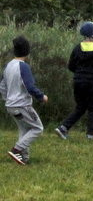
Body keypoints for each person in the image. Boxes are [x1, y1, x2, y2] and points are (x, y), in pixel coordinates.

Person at [55, 21, 93, 140]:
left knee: (80, 107)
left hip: (77, 81)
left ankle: (63, 127)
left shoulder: (77, 48)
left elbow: (70, 66)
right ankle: (90, 134)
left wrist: (79, 73)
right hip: (91, 82)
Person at [1, 36, 48, 165]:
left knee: (24, 130)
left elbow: (2, 86)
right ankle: (16, 150)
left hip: (10, 105)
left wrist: (7, 99)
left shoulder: (8, 66)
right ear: (27, 51)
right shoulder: (24, 67)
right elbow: (30, 86)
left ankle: (24, 158)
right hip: (22, 106)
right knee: (38, 128)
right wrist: (41, 96)